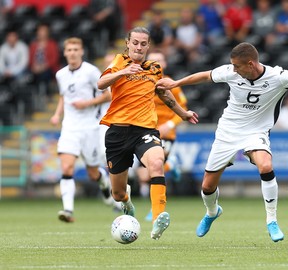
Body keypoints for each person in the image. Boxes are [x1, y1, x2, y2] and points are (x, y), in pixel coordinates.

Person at [156, 42, 288, 242]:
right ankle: (212, 212)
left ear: (250, 64)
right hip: (228, 130)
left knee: (266, 165)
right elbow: (204, 76)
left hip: (256, 131)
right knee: (207, 186)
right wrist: (176, 82)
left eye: (236, 66)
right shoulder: (230, 72)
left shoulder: (279, 77)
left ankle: (272, 221)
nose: (233, 70)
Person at [97, 27, 198, 240]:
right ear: (127, 43)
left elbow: (166, 95)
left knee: (157, 162)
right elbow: (100, 84)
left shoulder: (154, 69)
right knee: (118, 193)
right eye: (135, 42)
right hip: (117, 132)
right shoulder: (118, 62)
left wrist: (183, 113)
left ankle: (158, 219)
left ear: (148, 46)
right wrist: (123, 72)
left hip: (144, 129)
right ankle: (127, 201)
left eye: (143, 43)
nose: (139, 47)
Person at [50, 37, 114, 223]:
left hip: (90, 128)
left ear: (81, 51)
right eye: (69, 50)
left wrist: (87, 103)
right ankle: (68, 210)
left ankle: (104, 186)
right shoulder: (60, 74)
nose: (72, 53)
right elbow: (63, 96)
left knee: (93, 173)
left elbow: (108, 95)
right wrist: (56, 114)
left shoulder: (91, 72)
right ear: (64, 53)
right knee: (67, 166)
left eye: (75, 49)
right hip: (69, 127)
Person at [135, 50, 188, 221]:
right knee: (143, 174)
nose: (157, 64)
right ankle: (172, 165)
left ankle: (155, 210)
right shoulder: (144, 83)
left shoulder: (172, 84)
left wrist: (170, 124)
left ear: (164, 64)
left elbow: (183, 110)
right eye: (154, 61)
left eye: (160, 60)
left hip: (167, 133)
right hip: (147, 132)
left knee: (154, 170)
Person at [28, 23, 60, 94]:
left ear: (47, 33)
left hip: (48, 69)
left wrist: (43, 67)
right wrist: (34, 67)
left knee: (44, 75)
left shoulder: (52, 44)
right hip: (35, 69)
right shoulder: (33, 45)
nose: (41, 33)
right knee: (31, 77)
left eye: (43, 31)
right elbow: (30, 61)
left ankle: (45, 94)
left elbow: (54, 59)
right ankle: (37, 95)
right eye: (40, 31)